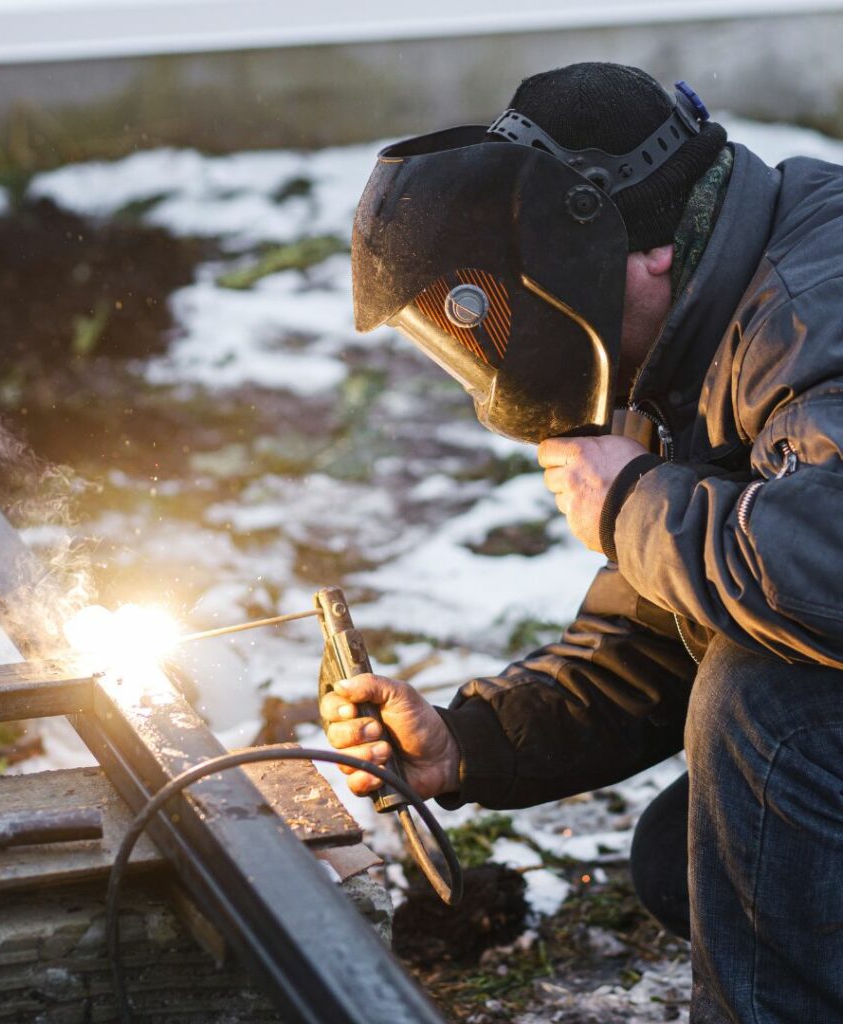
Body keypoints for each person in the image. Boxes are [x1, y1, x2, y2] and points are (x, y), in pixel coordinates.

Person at [323, 62, 843, 1021]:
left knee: (770, 713)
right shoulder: (695, 342)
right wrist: (462, 744)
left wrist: (636, 503)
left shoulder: (817, 307)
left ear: (639, 251)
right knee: (698, 854)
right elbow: (652, 635)